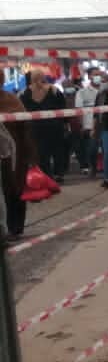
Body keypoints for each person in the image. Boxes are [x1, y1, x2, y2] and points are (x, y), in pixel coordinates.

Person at [0, 70, 34, 240]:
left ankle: (15, 228)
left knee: (14, 189)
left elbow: (24, 126)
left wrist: (30, 154)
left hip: (15, 153)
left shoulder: (11, 99)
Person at [20, 70, 67, 183]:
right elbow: (63, 107)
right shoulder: (54, 90)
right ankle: (58, 174)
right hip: (55, 127)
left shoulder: (25, 93)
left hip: (36, 128)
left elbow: (22, 110)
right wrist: (65, 123)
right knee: (57, 151)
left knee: (42, 153)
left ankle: (47, 176)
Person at [75, 68, 101, 176]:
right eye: (95, 74)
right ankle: (93, 168)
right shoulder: (82, 92)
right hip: (89, 125)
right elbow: (79, 110)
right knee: (92, 149)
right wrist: (81, 125)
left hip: (105, 123)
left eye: (99, 74)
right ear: (89, 76)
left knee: (107, 149)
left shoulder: (105, 90)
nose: (98, 77)